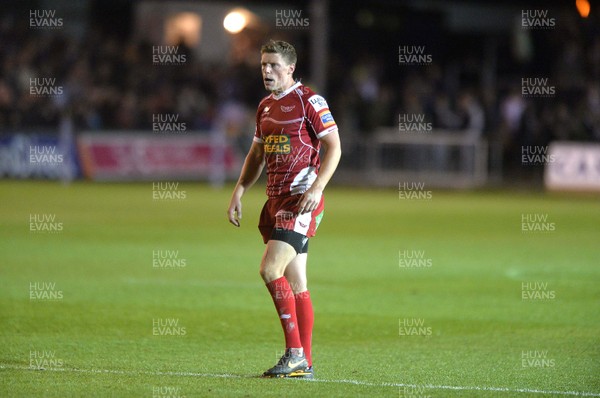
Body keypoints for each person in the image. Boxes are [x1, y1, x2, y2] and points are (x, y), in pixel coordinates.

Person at [227, 40, 342, 379]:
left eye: (274, 65)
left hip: (300, 199)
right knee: (297, 284)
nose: (266, 70)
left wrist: (317, 187)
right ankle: (304, 361)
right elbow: (256, 155)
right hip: (276, 201)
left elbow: (335, 147)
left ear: (290, 68)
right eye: (263, 65)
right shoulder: (264, 107)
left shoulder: (310, 101)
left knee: (269, 270)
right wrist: (239, 190)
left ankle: (293, 354)